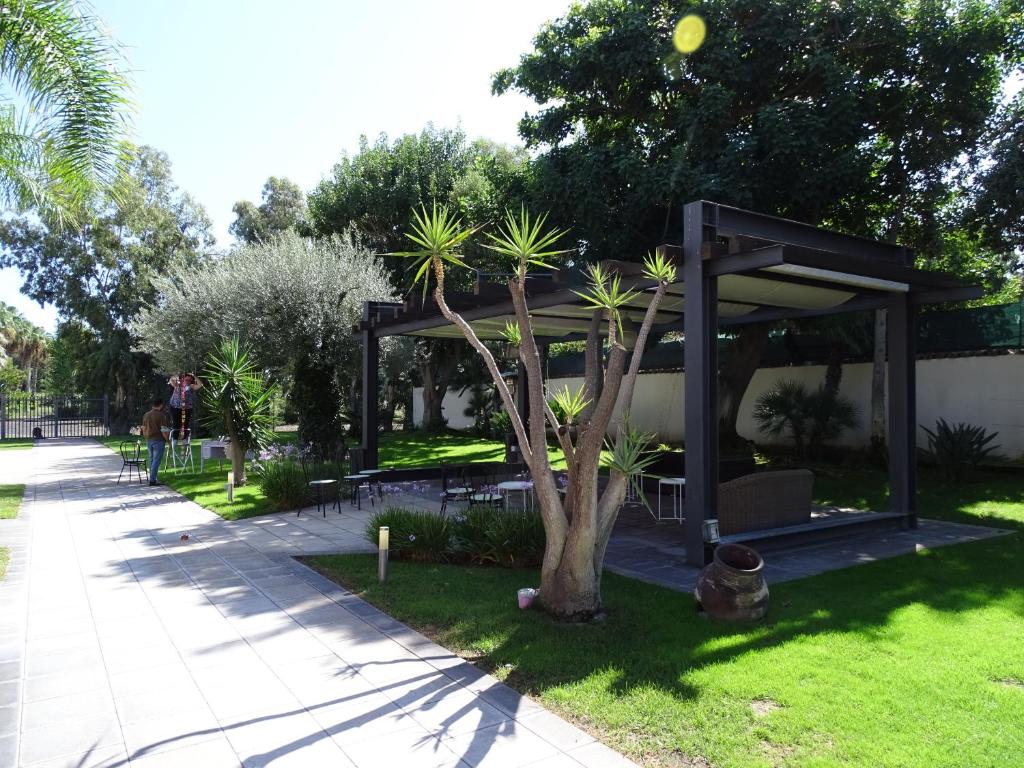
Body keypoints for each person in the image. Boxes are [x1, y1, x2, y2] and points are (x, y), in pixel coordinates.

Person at [141, 397, 170, 486]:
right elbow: (164, 431)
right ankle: (152, 480)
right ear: (161, 405)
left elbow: (143, 427)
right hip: (158, 440)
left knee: (152, 460)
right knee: (156, 461)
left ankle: (152, 478)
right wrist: (168, 441)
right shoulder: (161, 416)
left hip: (149, 440)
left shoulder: (146, 414)